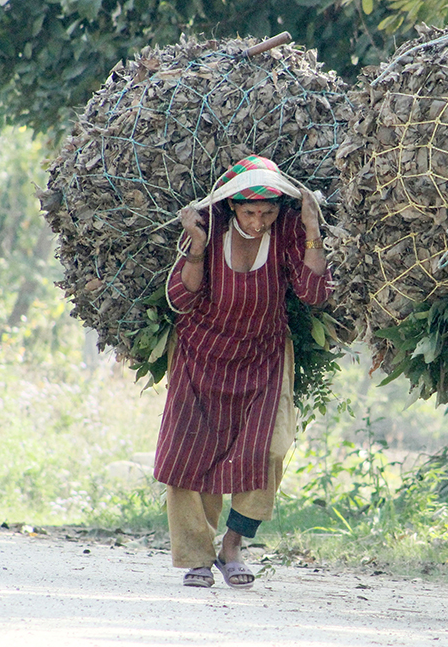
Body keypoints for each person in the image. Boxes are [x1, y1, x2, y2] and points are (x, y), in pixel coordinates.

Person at [154, 155, 330, 589]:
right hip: (201, 355)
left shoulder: (288, 230)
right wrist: (195, 247)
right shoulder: (209, 228)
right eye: (250, 212)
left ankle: (232, 546)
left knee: (268, 451)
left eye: (267, 212)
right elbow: (181, 298)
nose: (258, 221)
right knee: (188, 456)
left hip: (264, 357)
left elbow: (314, 293)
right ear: (232, 206)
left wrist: (312, 231)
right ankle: (197, 557)